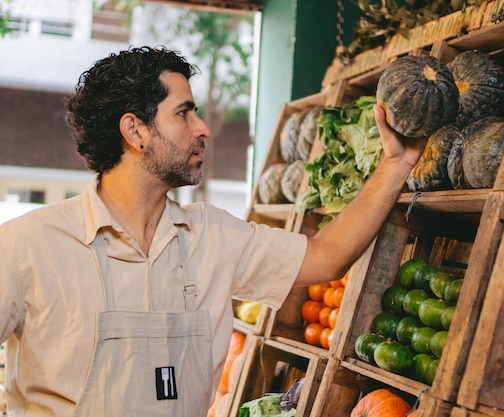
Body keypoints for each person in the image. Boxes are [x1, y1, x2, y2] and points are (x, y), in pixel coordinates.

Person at [0, 46, 425, 416]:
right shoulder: (26, 245)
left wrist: (396, 163)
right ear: (135, 131)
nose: (202, 127)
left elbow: (328, 255)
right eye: (184, 113)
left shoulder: (213, 236)